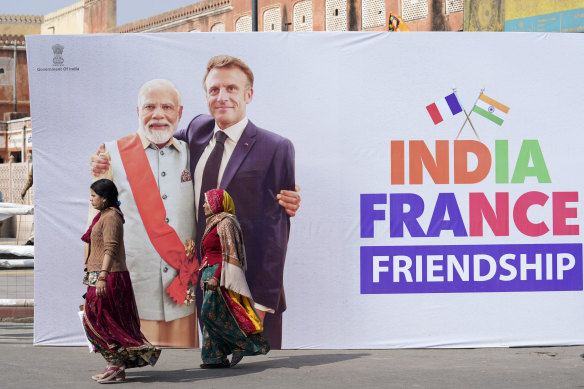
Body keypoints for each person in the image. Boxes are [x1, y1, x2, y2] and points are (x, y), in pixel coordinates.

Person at [91, 57, 301, 348]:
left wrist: (263, 304)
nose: (222, 97)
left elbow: (277, 233)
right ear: (206, 96)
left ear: (248, 94)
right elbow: (155, 137)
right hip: (206, 289)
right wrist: (106, 157)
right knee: (215, 372)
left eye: (231, 88)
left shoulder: (276, 147)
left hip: (252, 293)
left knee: (258, 377)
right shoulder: (198, 131)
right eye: (214, 89)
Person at [88, 79, 199, 347]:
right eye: (150, 106)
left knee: (184, 372)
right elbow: (96, 226)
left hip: (184, 293)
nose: (158, 114)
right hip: (132, 293)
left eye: (167, 107)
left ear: (180, 113)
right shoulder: (112, 154)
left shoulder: (195, 153)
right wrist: (94, 280)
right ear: (137, 111)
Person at [82, 179, 160, 383]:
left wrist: (102, 276)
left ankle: (115, 365)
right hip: (100, 275)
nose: (90, 199)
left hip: (109, 276)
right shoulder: (103, 216)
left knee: (101, 320)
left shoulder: (111, 217)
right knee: (99, 319)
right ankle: (116, 366)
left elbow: (111, 248)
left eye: (93, 195)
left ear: (105, 198)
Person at [199, 188, 270, 368]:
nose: (203, 205)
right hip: (209, 274)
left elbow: (229, 254)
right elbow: (209, 252)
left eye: (207, 201)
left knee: (208, 313)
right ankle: (214, 358)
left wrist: (215, 276)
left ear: (216, 203)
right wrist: (204, 273)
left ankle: (242, 344)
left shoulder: (226, 223)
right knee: (214, 316)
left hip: (220, 276)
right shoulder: (214, 222)